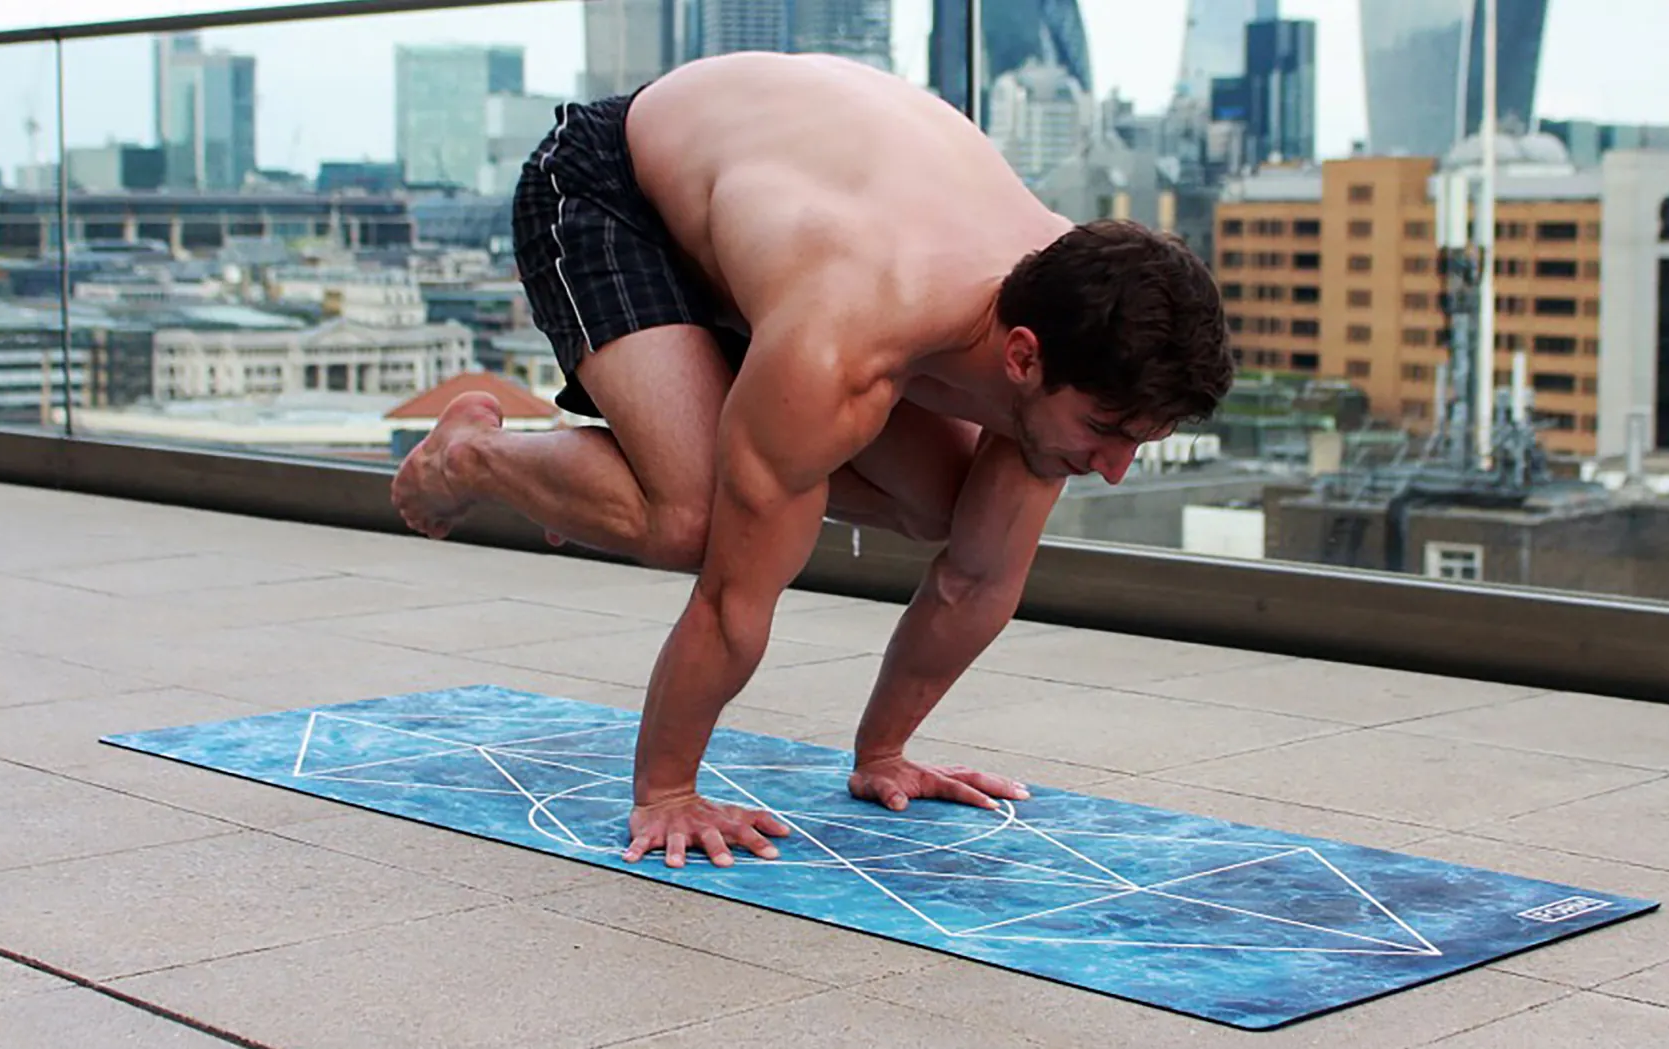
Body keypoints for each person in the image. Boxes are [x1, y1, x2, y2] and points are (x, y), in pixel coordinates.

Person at [390, 52, 1232, 870]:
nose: (1115, 467)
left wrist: (886, 752)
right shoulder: (848, 344)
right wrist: (669, 791)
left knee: (951, 507)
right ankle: (471, 455)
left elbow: (976, 579)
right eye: (1106, 430)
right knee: (696, 519)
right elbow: (731, 597)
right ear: (1021, 356)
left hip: (781, 217)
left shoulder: (1076, 310)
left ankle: (651, 459)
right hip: (620, 185)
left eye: (1137, 441)